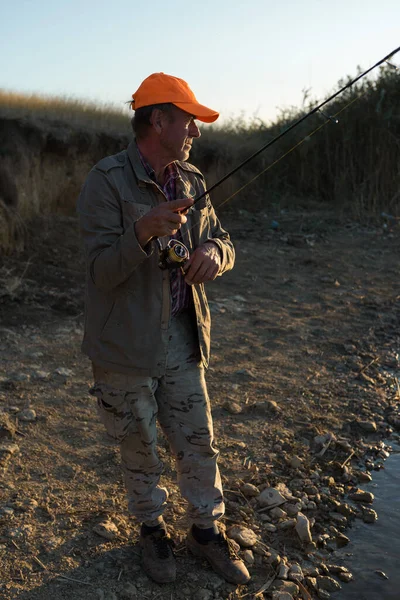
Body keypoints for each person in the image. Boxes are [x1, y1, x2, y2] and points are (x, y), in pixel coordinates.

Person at [77, 73, 250, 586]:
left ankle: (206, 532)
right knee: (139, 443)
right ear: (159, 119)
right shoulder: (105, 181)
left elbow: (225, 240)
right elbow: (98, 271)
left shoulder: (193, 182)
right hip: (123, 344)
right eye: (189, 119)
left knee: (198, 441)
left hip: (181, 334)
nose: (196, 131)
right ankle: (152, 531)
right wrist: (140, 232)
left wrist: (213, 255)